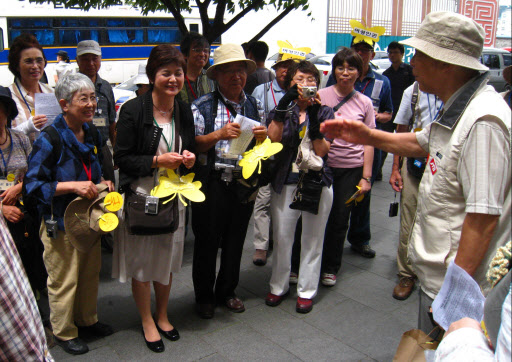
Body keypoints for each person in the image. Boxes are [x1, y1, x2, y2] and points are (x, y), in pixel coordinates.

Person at [320, 11, 511, 335]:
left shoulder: (483, 122)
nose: (413, 63)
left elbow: (483, 219)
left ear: (444, 62)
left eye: (419, 55)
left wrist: (454, 299)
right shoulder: (459, 106)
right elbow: (423, 141)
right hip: (437, 278)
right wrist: (366, 135)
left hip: (457, 289)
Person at [24, 73, 115, 355]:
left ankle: (86, 320)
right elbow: (31, 186)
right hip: (60, 221)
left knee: (89, 273)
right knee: (64, 278)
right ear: (64, 104)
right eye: (83, 99)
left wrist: (105, 184)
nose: (91, 104)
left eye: (92, 98)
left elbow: (98, 168)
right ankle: (63, 332)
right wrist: (72, 185)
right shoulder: (49, 138)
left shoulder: (93, 133)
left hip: (90, 218)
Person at [113, 44, 196, 353]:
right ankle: (146, 319)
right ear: (152, 75)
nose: (173, 79)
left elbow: (191, 147)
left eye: (178, 73)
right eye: (166, 73)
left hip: (174, 195)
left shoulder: (182, 108)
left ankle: (162, 315)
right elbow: (122, 158)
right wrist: (156, 161)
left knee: (167, 259)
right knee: (143, 262)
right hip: (143, 196)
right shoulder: (134, 110)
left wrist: (188, 156)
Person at [191, 43, 266, 319]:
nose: (236, 76)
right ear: (217, 76)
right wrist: (218, 135)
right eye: (229, 71)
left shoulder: (255, 105)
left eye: (240, 70)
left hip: (243, 184)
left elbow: (264, 145)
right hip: (211, 182)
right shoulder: (202, 106)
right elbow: (193, 145)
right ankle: (204, 296)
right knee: (207, 242)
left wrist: (263, 137)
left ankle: (227, 291)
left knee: (236, 240)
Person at [264, 60, 333, 313]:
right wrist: (283, 106)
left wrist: (314, 119)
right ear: (289, 83)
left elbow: (323, 151)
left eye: (311, 80)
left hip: (316, 183)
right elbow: (273, 139)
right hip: (287, 182)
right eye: (299, 80)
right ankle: (278, 286)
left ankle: (306, 290)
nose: (306, 85)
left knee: (313, 240)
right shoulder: (282, 110)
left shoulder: (325, 112)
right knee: (282, 238)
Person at [327, 36, 393, 260]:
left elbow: (387, 115)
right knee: (324, 212)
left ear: (371, 56)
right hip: (328, 161)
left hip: (359, 156)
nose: (345, 72)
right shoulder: (326, 90)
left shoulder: (380, 83)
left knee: (354, 204)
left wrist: (367, 176)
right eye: (358, 49)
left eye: (366, 51)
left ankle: (357, 241)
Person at [315, 48, 375, 287]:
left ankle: (330, 267)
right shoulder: (321, 95)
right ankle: (310, 264)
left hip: (351, 170)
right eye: (341, 67)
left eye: (351, 68)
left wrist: (366, 177)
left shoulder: (365, 103)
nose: (346, 73)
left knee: (341, 218)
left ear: (359, 72)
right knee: (315, 217)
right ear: (334, 70)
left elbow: (370, 141)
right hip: (323, 166)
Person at [0, 86, 48, 322]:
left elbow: (35, 170)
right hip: (2, 217)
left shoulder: (19, 138)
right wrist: (1, 209)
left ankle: (39, 315)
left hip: (25, 208)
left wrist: (19, 187)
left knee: (34, 261)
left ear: (7, 112)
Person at [389, 82, 441, 300]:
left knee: (439, 221)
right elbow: (401, 131)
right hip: (414, 165)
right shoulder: (413, 92)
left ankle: (437, 275)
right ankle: (406, 273)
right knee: (408, 218)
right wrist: (395, 168)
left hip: (445, 166)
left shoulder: (457, 92)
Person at [251, 55, 297, 266]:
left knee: (282, 204)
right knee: (262, 200)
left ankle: (280, 242)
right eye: (281, 67)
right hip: (265, 152)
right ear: (275, 68)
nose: (285, 71)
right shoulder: (262, 90)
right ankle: (261, 245)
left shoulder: (299, 92)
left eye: (290, 67)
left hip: (288, 157)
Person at [0, 216, 54, 362]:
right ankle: (43, 325)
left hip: (25, 218)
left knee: (30, 269)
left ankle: (39, 330)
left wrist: (18, 191)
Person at [76, 40, 116, 183]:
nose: (91, 63)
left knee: (109, 192)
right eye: (85, 59)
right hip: (78, 149)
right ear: (77, 61)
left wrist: (115, 151)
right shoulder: (70, 85)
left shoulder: (105, 87)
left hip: (103, 148)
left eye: (94, 59)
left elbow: (112, 121)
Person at [377, 41, 415, 180]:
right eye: (390, 52)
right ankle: (378, 171)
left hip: (405, 114)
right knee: (385, 143)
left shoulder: (410, 72)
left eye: (395, 52)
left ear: (402, 54)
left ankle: (402, 170)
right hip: (390, 113)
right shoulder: (386, 74)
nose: (392, 55)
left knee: (402, 143)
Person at [7, 33, 53, 143]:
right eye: (28, 61)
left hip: (51, 158)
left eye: (39, 60)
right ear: (17, 65)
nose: (35, 66)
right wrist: (27, 127)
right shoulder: (8, 97)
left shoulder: (51, 93)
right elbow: (3, 137)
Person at [178, 32, 216, 105]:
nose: (202, 54)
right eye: (197, 50)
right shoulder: (177, 79)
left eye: (205, 51)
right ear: (185, 54)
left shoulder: (212, 78)